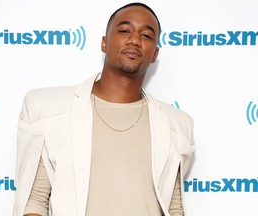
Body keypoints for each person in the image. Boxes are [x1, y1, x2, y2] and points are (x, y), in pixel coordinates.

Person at [13, 2, 195, 216]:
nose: (135, 40)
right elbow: (34, 199)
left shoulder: (177, 125)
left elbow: (173, 207)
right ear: (104, 43)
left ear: (155, 54)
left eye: (146, 35)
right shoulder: (48, 110)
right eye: (125, 30)